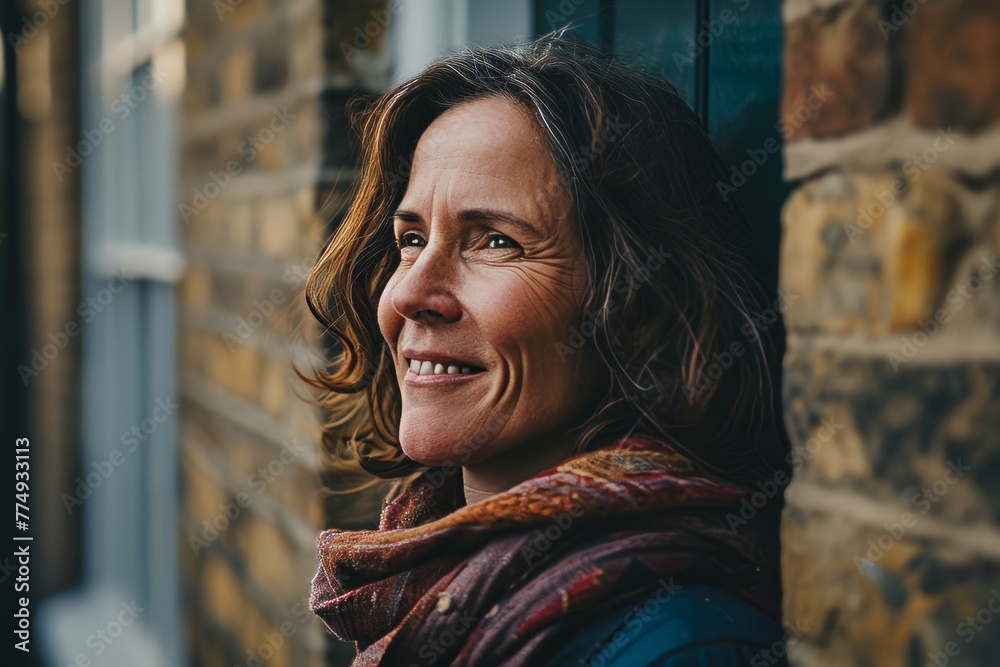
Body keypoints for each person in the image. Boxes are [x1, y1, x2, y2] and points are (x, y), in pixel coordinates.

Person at [304, 33, 790, 666]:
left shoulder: (675, 645)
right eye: (412, 237)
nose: (411, 294)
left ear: (636, 302)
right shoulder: (438, 577)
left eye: (496, 242)